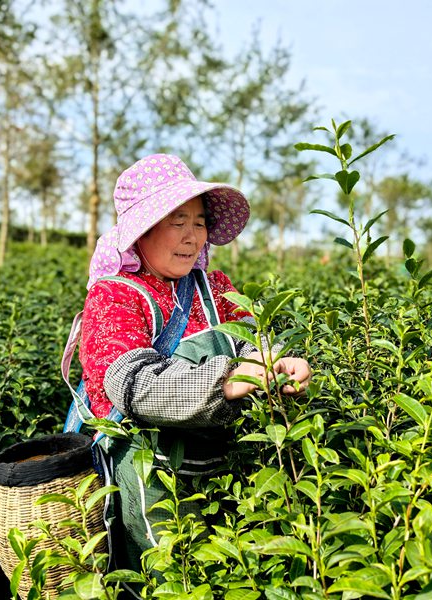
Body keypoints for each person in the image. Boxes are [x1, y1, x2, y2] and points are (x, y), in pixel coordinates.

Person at [77, 153, 311, 581]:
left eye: (199, 222)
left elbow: (254, 343)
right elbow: (133, 386)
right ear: (141, 230)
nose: (192, 237)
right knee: (168, 579)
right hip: (150, 480)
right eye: (176, 221)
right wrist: (234, 377)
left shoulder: (214, 288)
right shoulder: (115, 298)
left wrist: (279, 364)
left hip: (227, 472)